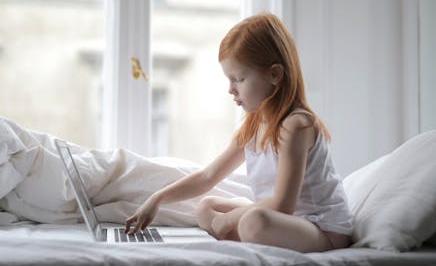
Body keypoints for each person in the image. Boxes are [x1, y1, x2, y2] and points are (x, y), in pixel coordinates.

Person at [125, 13, 353, 252]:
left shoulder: (296, 125)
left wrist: (230, 219)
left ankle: (241, 231)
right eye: (229, 79)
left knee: (253, 222)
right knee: (206, 207)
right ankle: (242, 230)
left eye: (239, 79)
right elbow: (207, 177)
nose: (231, 90)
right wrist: (157, 199)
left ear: (274, 75)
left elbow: (283, 205)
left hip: (320, 228)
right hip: (282, 219)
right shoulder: (253, 125)